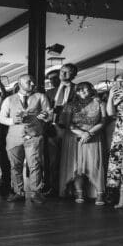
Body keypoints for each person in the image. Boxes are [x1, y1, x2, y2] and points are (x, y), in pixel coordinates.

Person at [0, 75, 52, 204]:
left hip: (34, 136)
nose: (32, 84)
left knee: (35, 164)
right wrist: (12, 120)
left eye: (33, 82)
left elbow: (49, 115)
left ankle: (36, 193)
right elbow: (1, 118)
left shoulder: (41, 97)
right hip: (14, 137)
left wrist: (45, 116)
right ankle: (18, 192)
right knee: (15, 166)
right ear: (19, 83)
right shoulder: (9, 99)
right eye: (29, 82)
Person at [59, 82, 106, 205]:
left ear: (91, 90)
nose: (82, 92)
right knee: (77, 166)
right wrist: (82, 133)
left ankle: (100, 193)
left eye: (85, 89)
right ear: (76, 92)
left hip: (94, 136)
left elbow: (103, 121)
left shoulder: (100, 103)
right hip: (74, 136)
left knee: (94, 164)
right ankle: (78, 192)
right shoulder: (70, 105)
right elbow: (67, 123)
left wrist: (89, 133)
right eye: (79, 90)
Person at [45, 63, 78, 196]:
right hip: (52, 130)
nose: (63, 74)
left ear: (74, 75)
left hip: (71, 130)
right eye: (62, 71)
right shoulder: (50, 92)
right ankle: (54, 188)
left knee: (71, 160)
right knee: (53, 161)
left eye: (67, 72)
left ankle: (70, 188)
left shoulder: (79, 89)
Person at [106, 72, 123, 209]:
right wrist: (110, 96)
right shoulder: (119, 93)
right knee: (118, 165)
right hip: (120, 132)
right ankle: (121, 199)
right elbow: (110, 113)